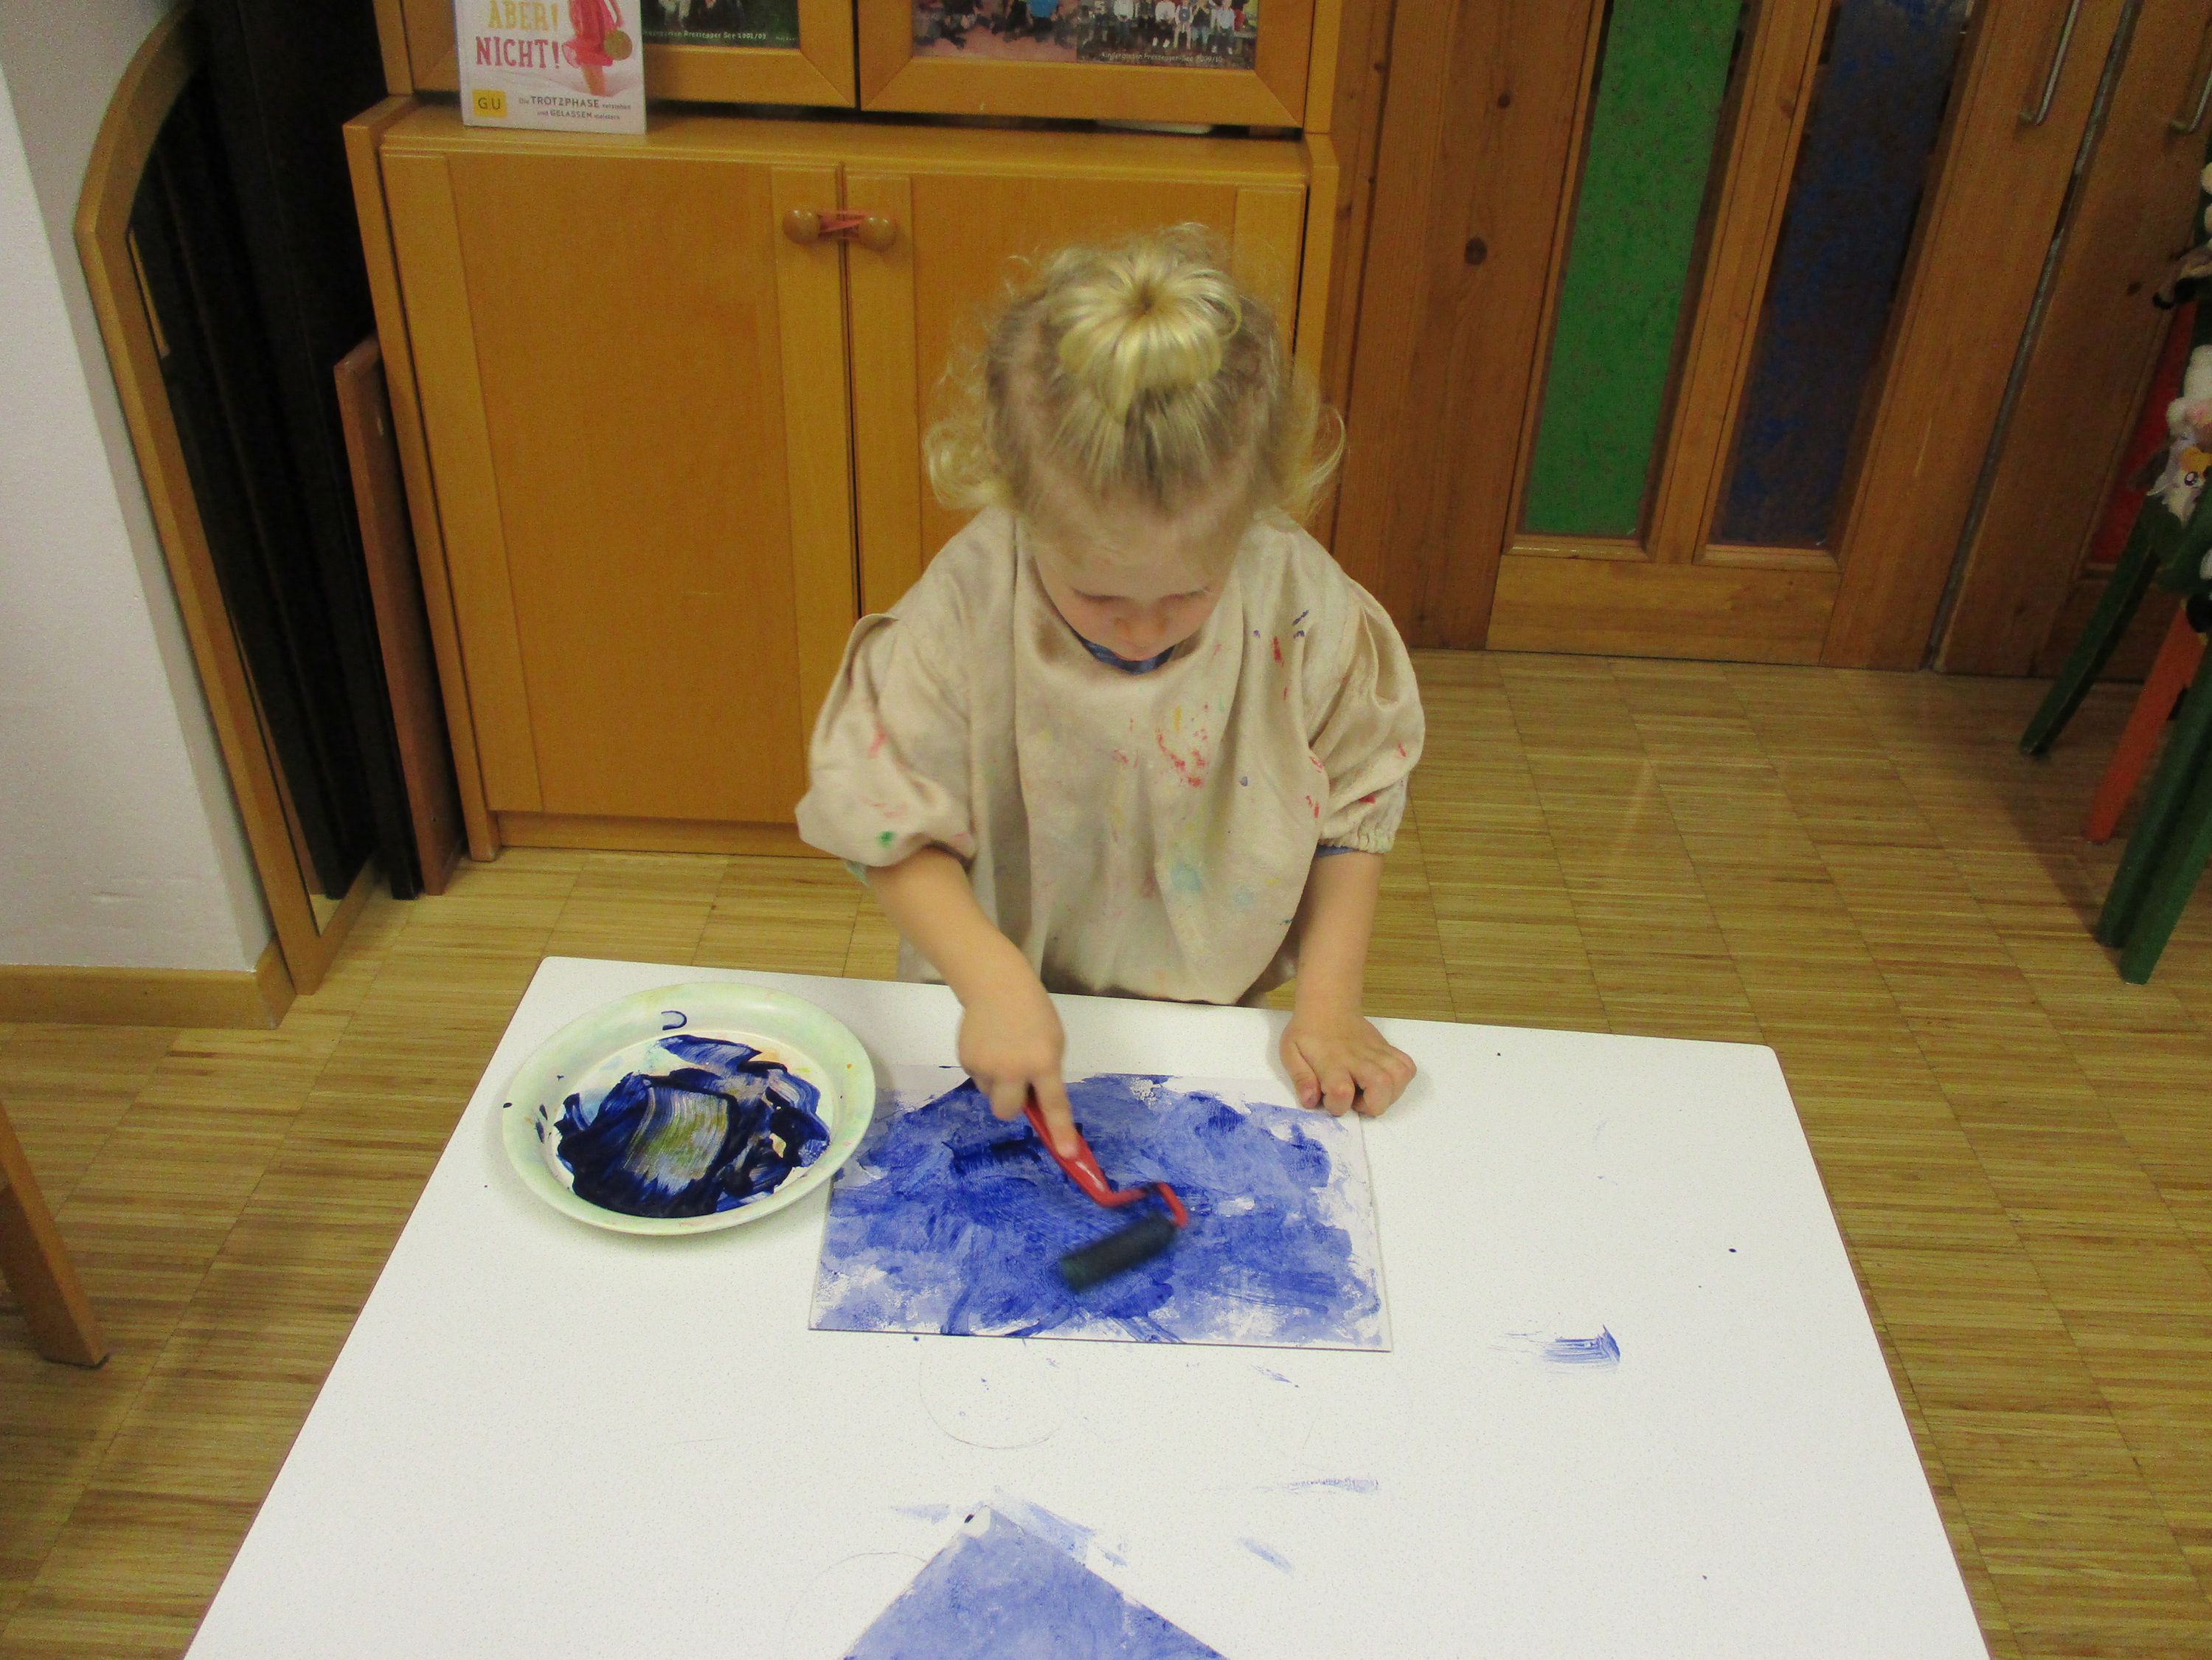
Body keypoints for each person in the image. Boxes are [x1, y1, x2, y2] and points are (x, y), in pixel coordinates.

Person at [797, 229, 1424, 1152]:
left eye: (1187, 594)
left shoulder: (1298, 603)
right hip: (991, 997)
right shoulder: (968, 604)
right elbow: (885, 816)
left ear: (1252, 517)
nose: (1140, 631)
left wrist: (1329, 1006)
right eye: (1096, 597)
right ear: (1015, 499)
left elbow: (1354, 813)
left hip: (1202, 1013)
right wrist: (990, 979)